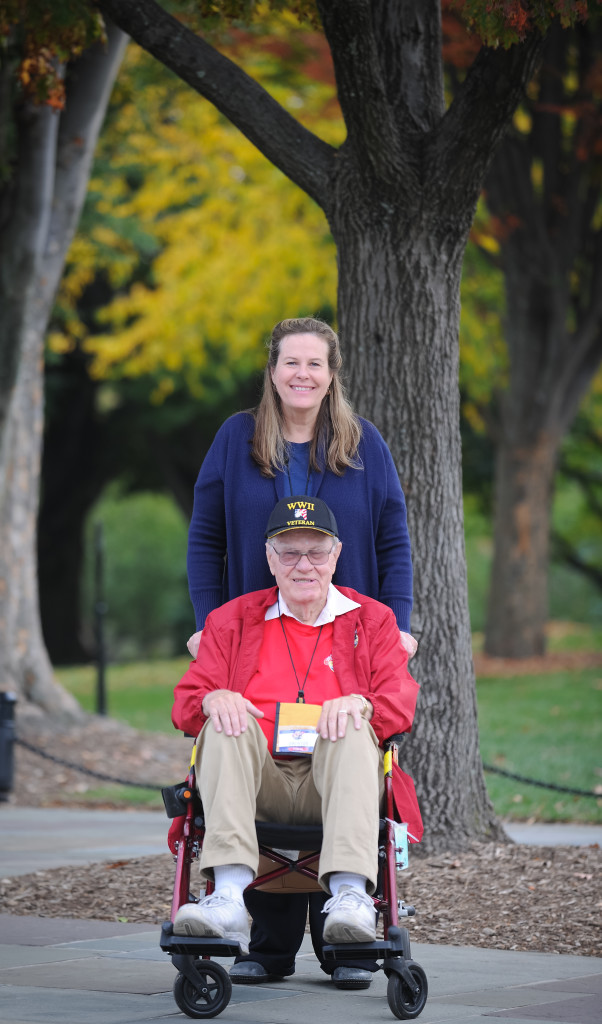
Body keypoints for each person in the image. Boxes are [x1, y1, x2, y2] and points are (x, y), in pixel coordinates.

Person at [185, 317, 417, 988]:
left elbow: (393, 539)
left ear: (332, 371)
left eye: (316, 364)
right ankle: (268, 941)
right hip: (252, 633)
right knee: (252, 743)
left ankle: (343, 943)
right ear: (273, 369)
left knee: (338, 747)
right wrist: (208, 624)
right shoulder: (237, 439)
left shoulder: (362, 442)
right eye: (291, 363)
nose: (303, 375)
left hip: (342, 638)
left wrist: (396, 627)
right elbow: (205, 538)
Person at [172, 496, 421, 967]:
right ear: (269, 559)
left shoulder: (372, 620)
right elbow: (186, 700)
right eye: (289, 552)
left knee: (349, 721)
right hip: (256, 782)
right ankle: (226, 900)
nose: (303, 565)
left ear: (336, 555)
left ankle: (351, 898)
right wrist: (211, 699)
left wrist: (362, 704)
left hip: (335, 784)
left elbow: (401, 700)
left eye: (316, 552)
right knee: (226, 720)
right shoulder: (232, 621)